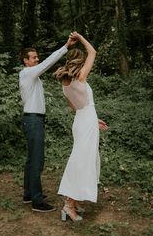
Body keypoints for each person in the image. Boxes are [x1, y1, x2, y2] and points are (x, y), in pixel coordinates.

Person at [53, 31, 108, 222]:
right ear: (80, 61)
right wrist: (81, 37)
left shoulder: (65, 83)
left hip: (81, 121)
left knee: (81, 160)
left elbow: (77, 108)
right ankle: (68, 205)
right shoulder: (81, 76)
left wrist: (94, 120)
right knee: (82, 162)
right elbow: (93, 51)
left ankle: (74, 202)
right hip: (85, 122)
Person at [19, 34, 77, 212]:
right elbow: (47, 63)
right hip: (33, 120)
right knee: (37, 160)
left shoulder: (31, 76)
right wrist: (66, 46)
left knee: (31, 159)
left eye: (37, 57)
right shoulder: (28, 73)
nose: (37, 59)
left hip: (33, 120)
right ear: (26, 61)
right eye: (34, 57)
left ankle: (29, 194)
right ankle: (37, 202)